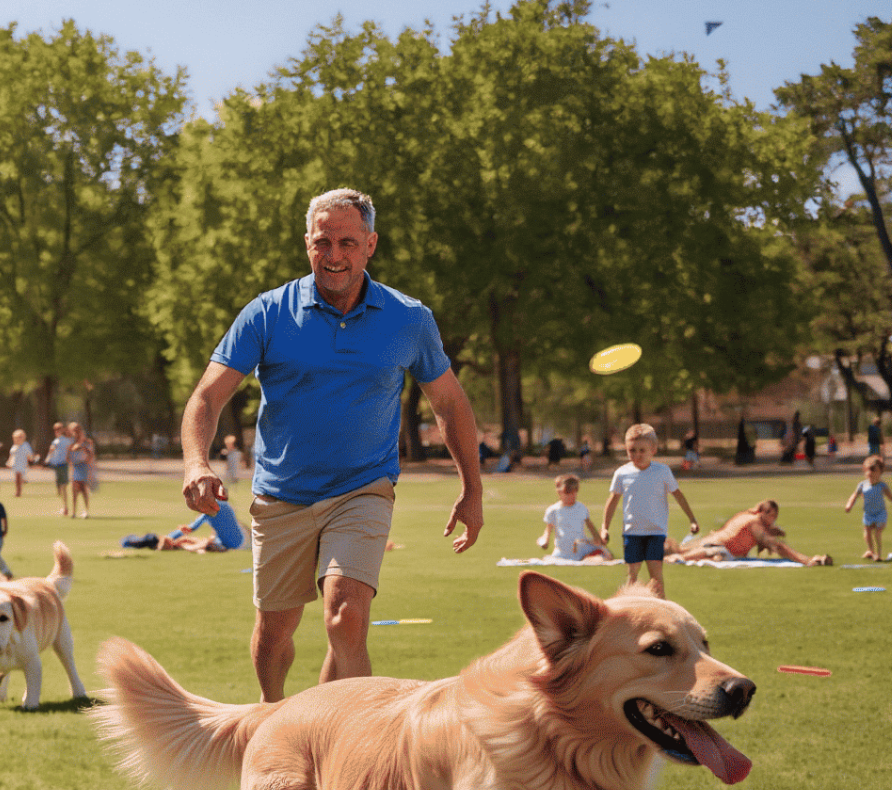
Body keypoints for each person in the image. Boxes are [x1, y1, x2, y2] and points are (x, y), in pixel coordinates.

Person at [179, 188, 484, 703]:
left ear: (370, 245)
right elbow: (207, 397)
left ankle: (344, 746)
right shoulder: (267, 314)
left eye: (347, 242)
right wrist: (194, 462)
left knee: (345, 617)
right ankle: (273, 722)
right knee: (275, 631)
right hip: (282, 493)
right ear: (307, 244)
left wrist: (472, 487)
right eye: (323, 242)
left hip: (363, 489)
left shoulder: (409, 319)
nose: (334, 255)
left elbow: (450, 405)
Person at [597, 423, 701, 594]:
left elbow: (678, 496)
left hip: (655, 532)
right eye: (632, 450)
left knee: (656, 577)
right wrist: (604, 528)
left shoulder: (662, 472)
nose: (636, 455)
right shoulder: (622, 473)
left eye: (641, 450)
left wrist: (692, 519)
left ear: (653, 449)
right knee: (632, 575)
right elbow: (612, 501)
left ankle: (663, 609)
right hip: (632, 532)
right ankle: (630, 610)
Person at [676, 500, 827, 565]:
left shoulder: (752, 516)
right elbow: (777, 547)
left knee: (683, 551)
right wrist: (806, 560)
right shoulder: (755, 523)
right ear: (764, 514)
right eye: (773, 516)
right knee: (683, 555)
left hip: (716, 543)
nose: (774, 520)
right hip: (716, 546)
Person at [844, 454, 892, 562]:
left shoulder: (882, 486)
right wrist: (849, 505)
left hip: (880, 514)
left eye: (873, 470)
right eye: (868, 470)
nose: (870, 473)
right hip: (868, 514)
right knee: (867, 532)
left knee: (877, 532)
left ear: (880, 472)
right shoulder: (862, 485)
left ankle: (878, 554)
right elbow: (854, 495)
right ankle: (871, 551)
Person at [537, 474, 611, 563]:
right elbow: (548, 530)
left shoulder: (581, 507)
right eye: (567, 493)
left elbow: (591, 527)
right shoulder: (553, 510)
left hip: (581, 547)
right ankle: (584, 559)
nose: (571, 496)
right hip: (563, 550)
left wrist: (599, 539)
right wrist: (544, 541)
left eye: (574, 492)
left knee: (607, 556)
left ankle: (585, 558)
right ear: (560, 492)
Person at [159, 497, 248, 553]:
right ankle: (175, 543)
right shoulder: (225, 505)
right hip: (240, 540)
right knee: (200, 540)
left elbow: (189, 529)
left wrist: (171, 536)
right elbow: (228, 524)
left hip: (227, 545)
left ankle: (178, 545)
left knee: (191, 543)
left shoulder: (207, 514)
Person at [67, 421, 96, 519]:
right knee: (74, 490)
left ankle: (86, 511)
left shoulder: (86, 442)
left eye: (77, 430)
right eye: (73, 430)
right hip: (75, 467)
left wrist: (83, 452)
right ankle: (74, 512)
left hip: (83, 466)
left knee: (84, 489)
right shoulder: (70, 443)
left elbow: (90, 454)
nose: (75, 432)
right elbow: (68, 457)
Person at [46, 421, 71, 514]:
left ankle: (65, 508)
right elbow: (52, 453)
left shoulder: (65, 441)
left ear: (62, 430)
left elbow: (68, 452)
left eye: (59, 429)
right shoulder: (56, 441)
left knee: (63, 486)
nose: (57, 431)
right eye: (55, 430)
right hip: (57, 465)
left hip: (63, 465)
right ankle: (64, 506)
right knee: (60, 486)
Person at [8, 427, 33, 498]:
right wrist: (9, 462)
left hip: (22, 464)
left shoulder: (26, 445)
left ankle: (18, 492)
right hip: (15, 465)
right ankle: (18, 490)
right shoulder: (14, 446)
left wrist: (30, 459)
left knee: (19, 477)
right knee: (17, 479)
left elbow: (29, 454)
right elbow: (12, 455)